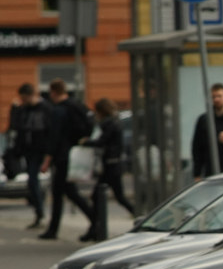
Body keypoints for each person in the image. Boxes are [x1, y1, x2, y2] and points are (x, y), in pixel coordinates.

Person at [39, 79, 96, 240]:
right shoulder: (75, 105)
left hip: (62, 156)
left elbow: (54, 137)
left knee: (65, 192)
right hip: (72, 153)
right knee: (64, 192)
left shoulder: (59, 111)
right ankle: (54, 229)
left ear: (53, 92)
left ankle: (94, 220)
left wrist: (47, 160)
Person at [80, 97, 136, 235]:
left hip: (112, 165)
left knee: (108, 196)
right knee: (111, 196)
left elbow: (102, 141)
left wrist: (86, 142)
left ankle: (95, 229)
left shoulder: (110, 124)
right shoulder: (111, 122)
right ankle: (94, 228)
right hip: (111, 164)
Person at [8, 82, 53, 229]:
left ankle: (41, 213)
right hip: (29, 151)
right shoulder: (23, 110)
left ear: (30, 95)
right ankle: (39, 212)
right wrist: (14, 111)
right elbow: (15, 127)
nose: (22, 101)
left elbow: (50, 132)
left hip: (41, 151)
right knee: (31, 183)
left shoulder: (45, 109)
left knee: (34, 181)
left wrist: (48, 155)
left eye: (24, 98)